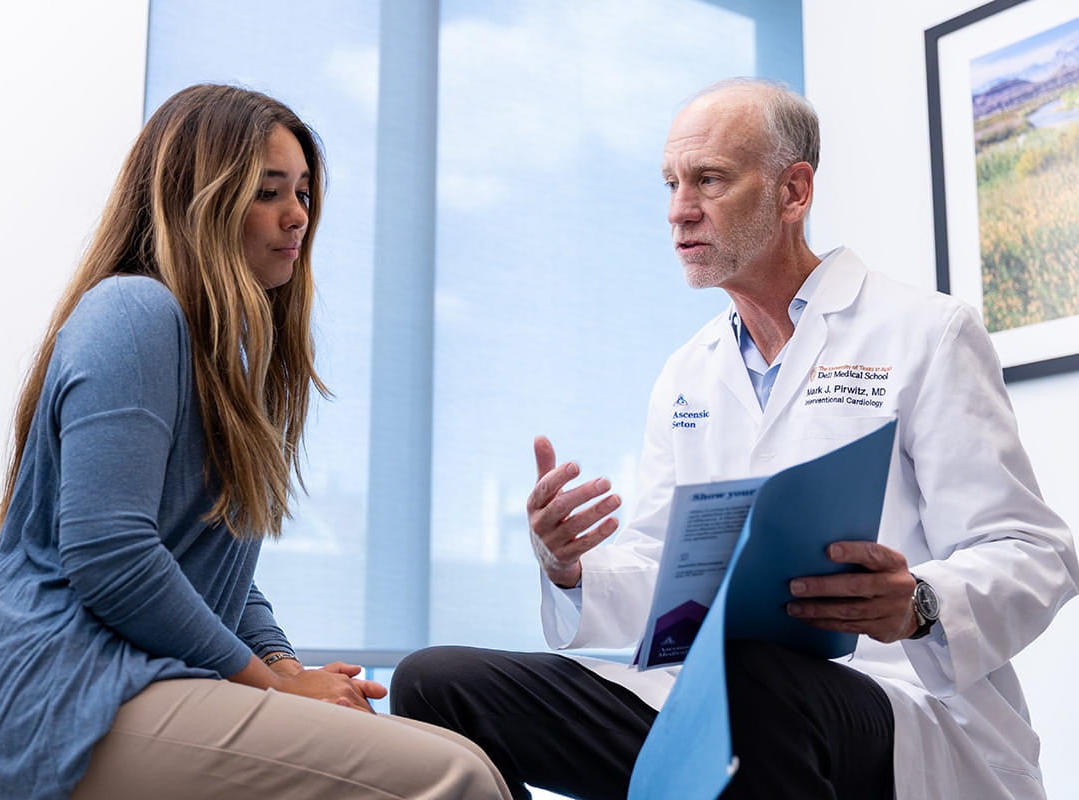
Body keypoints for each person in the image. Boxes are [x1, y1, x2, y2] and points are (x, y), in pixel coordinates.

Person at [390, 78, 1078, 799]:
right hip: (714, 693)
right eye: (671, 183)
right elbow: (663, 563)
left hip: (898, 701)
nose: (678, 211)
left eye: (709, 180)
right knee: (437, 685)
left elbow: (1034, 552)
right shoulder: (689, 371)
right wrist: (572, 569)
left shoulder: (926, 334)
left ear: (793, 192)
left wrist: (918, 604)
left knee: (748, 674)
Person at [0, 83, 512, 800]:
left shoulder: (215, 355)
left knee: (467, 760)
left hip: (128, 677)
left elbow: (212, 570)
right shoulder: (134, 312)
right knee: (450, 779)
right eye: (269, 192)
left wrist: (285, 667)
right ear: (197, 198)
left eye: (302, 192)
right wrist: (272, 688)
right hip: (44, 692)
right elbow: (111, 555)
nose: (298, 215)